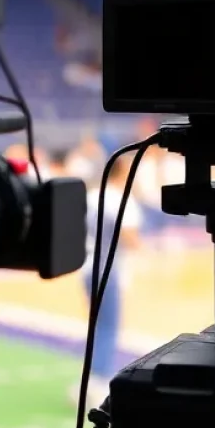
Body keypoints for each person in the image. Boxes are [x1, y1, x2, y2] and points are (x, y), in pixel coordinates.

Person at [78, 154, 143, 406]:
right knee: (107, 327)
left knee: (97, 326)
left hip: (87, 266)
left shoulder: (94, 195)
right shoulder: (124, 200)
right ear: (123, 173)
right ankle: (96, 384)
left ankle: (91, 380)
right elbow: (130, 238)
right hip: (109, 269)